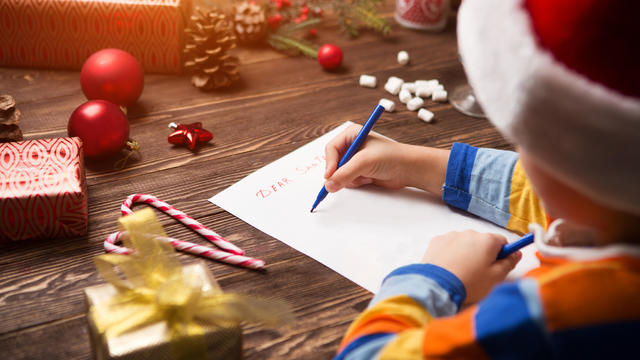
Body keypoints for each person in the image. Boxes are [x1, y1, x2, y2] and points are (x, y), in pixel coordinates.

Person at [331, 0, 640, 358]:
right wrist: (424, 165)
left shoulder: (548, 319)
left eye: (522, 141)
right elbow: (573, 196)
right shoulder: (616, 205)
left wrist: (437, 278)